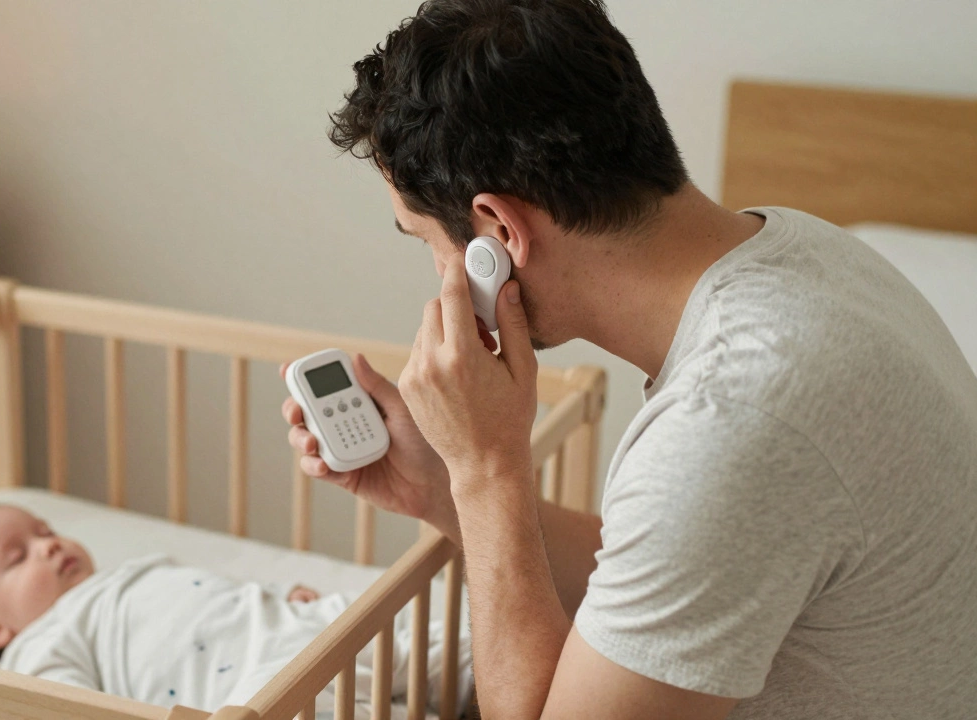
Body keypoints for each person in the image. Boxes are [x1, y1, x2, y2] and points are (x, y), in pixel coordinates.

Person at [280, 1, 977, 718]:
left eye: (426, 240)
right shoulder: (809, 251)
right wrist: (441, 486)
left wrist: (488, 469)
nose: (437, 272)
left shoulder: (733, 417)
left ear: (497, 234)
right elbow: (665, 577)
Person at [0, 504, 470, 713]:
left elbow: (225, 604)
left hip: (318, 628)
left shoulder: (130, 573)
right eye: (18, 557)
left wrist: (287, 601)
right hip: (267, 689)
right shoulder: (43, 641)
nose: (50, 545)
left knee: (460, 649)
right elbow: (65, 709)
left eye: (45, 531)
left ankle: (540, 682)